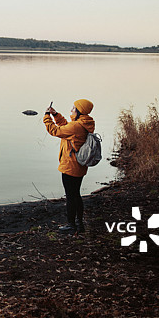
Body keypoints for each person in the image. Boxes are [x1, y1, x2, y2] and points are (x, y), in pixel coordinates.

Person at [43, 99, 95, 234]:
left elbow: (55, 130)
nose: (71, 110)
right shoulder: (82, 123)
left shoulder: (76, 126)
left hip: (70, 166)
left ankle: (71, 225)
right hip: (78, 166)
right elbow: (65, 126)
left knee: (71, 196)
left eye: (73, 108)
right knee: (76, 195)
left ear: (79, 111)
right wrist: (56, 115)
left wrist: (46, 116)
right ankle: (79, 224)